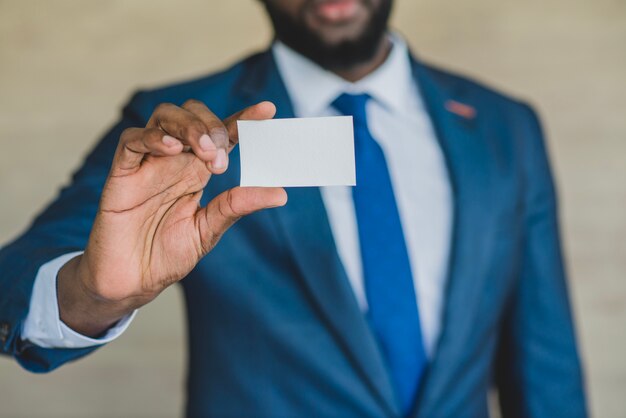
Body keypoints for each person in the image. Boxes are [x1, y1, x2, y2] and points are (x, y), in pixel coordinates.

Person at [0, 0, 588, 416]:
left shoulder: (506, 129)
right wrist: (97, 294)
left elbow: (546, 363)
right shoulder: (178, 130)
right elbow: (18, 279)